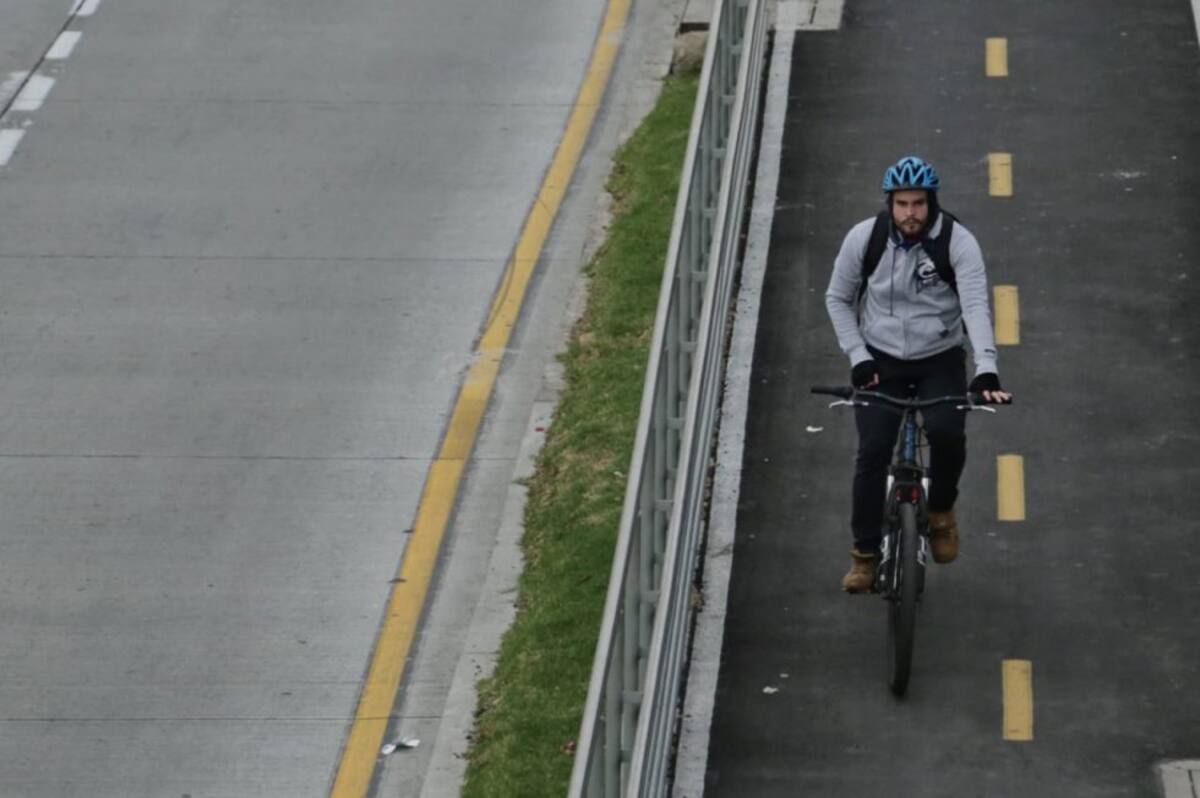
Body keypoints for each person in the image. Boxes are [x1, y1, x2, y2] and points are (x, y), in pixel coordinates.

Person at [824, 156, 1012, 593]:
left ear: (932, 202)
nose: (911, 213)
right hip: (879, 360)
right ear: (890, 204)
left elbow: (976, 307)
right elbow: (837, 299)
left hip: (938, 357)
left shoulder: (958, 243)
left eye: (919, 204)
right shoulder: (864, 239)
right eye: (902, 203)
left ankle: (942, 512)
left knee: (948, 432)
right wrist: (858, 356)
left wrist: (986, 369)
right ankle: (865, 556)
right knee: (872, 452)